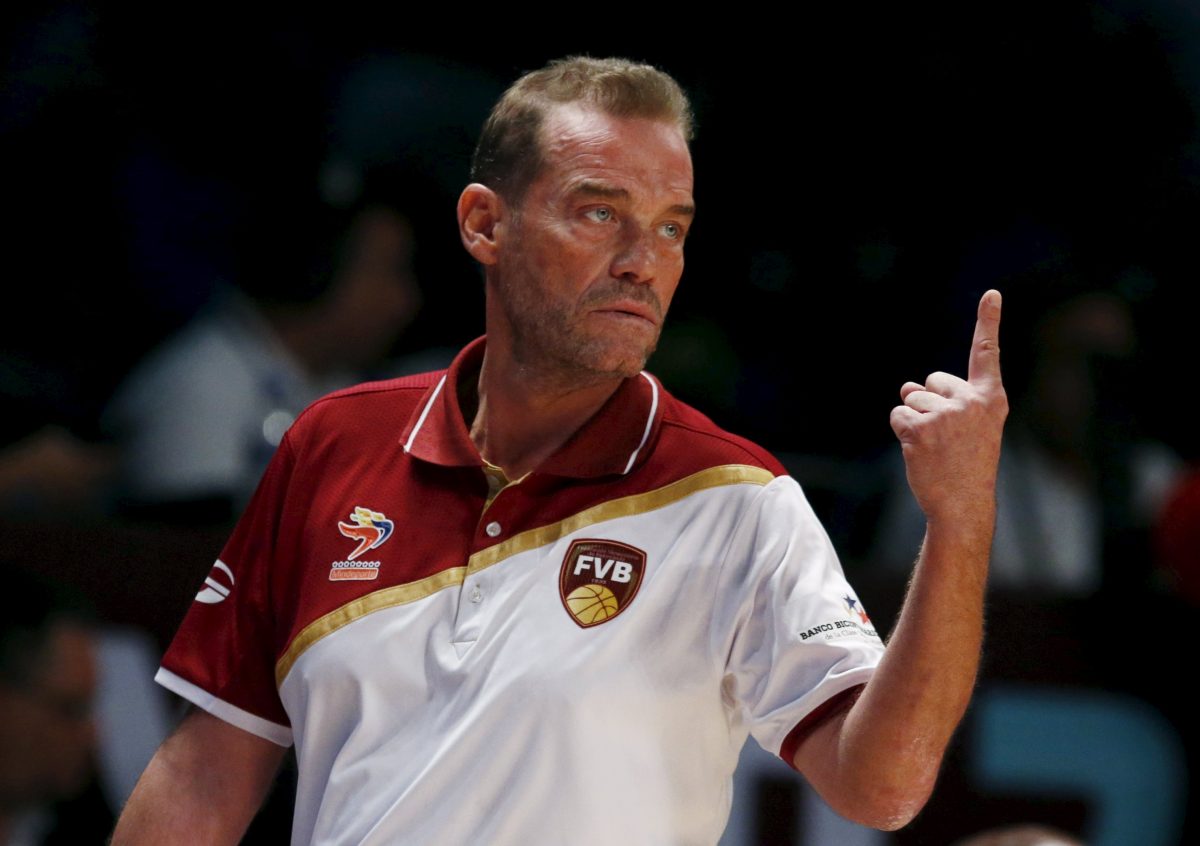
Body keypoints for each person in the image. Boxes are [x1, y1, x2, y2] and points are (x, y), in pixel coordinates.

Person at [112, 57, 1007, 844]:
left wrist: (961, 520)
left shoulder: (737, 499)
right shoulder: (332, 445)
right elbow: (204, 775)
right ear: (484, 225)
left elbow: (883, 788)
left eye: (671, 227)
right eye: (599, 212)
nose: (642, 261)